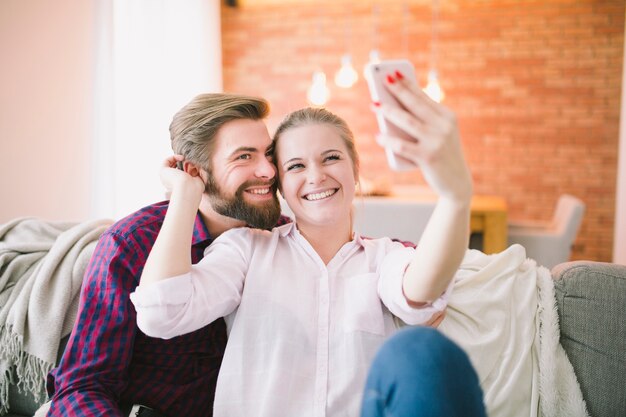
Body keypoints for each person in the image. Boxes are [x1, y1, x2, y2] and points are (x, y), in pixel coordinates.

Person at [130, 73, 486, 416]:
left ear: (355, 168)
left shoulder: (385, 258)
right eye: (296, 165)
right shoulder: (246, 250)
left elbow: (420, 290)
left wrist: (455, 196)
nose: (316, 176)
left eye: (331, 158)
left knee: (424, 350)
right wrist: (184, 195)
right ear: (280, 184)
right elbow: (162, 314)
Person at [45, 94, 288, 417]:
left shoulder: (283, 237)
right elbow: (83, 386)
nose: (268, 170)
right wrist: (184, 195)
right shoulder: (132, 244)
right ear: (192, 171)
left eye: (268, 154)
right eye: (244, 157)